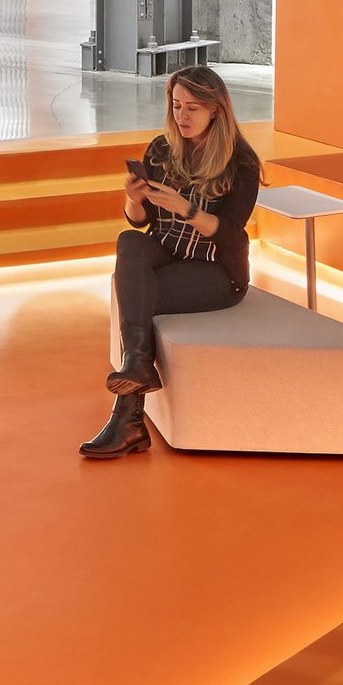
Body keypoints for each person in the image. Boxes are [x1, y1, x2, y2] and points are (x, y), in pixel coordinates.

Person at [79, 64, 260, 459]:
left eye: (193, 108)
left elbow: (231, 232)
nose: (182, 116)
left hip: (216, 270)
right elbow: (139, 223)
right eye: (177, 105)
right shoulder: (162, 149)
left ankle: (127, 417)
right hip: (168, 249)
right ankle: (137, 368)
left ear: (216, 110)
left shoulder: (241, 162)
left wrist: (187, 209)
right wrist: (134, 198)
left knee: (139, 298)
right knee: (129, 241)